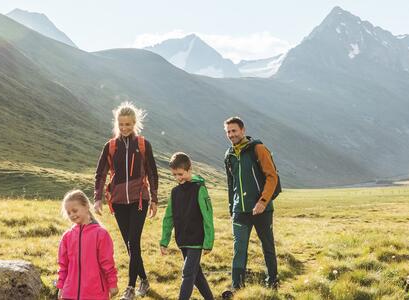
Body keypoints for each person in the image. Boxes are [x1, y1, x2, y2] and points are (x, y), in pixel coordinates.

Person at [93, 102, 159, 299]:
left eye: (128, 124)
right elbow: (100, 174)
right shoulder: (111, 146)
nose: (124, 128)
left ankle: (130, 287)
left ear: (134, 123)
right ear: (117, 124)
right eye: (121, 124)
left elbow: (152, 173)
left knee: (134, 242)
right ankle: (144, 281)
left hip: (140, 199)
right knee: (129, 244)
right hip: (119, 201)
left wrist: (154, 199)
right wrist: (97, 199)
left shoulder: (143, 145)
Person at [221, 116, 281, 298]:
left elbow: (272, 176)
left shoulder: (258, 149)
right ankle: (237, 287)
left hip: (262, 208)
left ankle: (273, 282)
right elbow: (231, 186)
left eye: (234, 130)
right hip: (240, 210)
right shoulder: (229, 155)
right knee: (239, 248)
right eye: (228, 132)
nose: (231, 135)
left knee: (267, 246)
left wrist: (263, 202)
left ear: (243, 130)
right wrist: (232, 208)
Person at [158, 153, 215, 300]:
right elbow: (169, 217)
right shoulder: (174, 192)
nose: (178, 178)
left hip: (196, 239)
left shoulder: (199, 189)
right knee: (196, 275)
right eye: (175, 175)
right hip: (182, 239)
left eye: (181, 174)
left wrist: (208, 242)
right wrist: (164, 241)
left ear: (190, 170)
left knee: (188, 273)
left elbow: (207, 217)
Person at [57, 190, 119, 300]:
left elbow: (107, 262)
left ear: (86, 207)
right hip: (70, 293)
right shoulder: (67, 236)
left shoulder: (101, 234)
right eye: (69, 212)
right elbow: (63, 265)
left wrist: (112, 283)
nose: (72, 215)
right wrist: (61, 286)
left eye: (75, 210)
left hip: (95, 293)